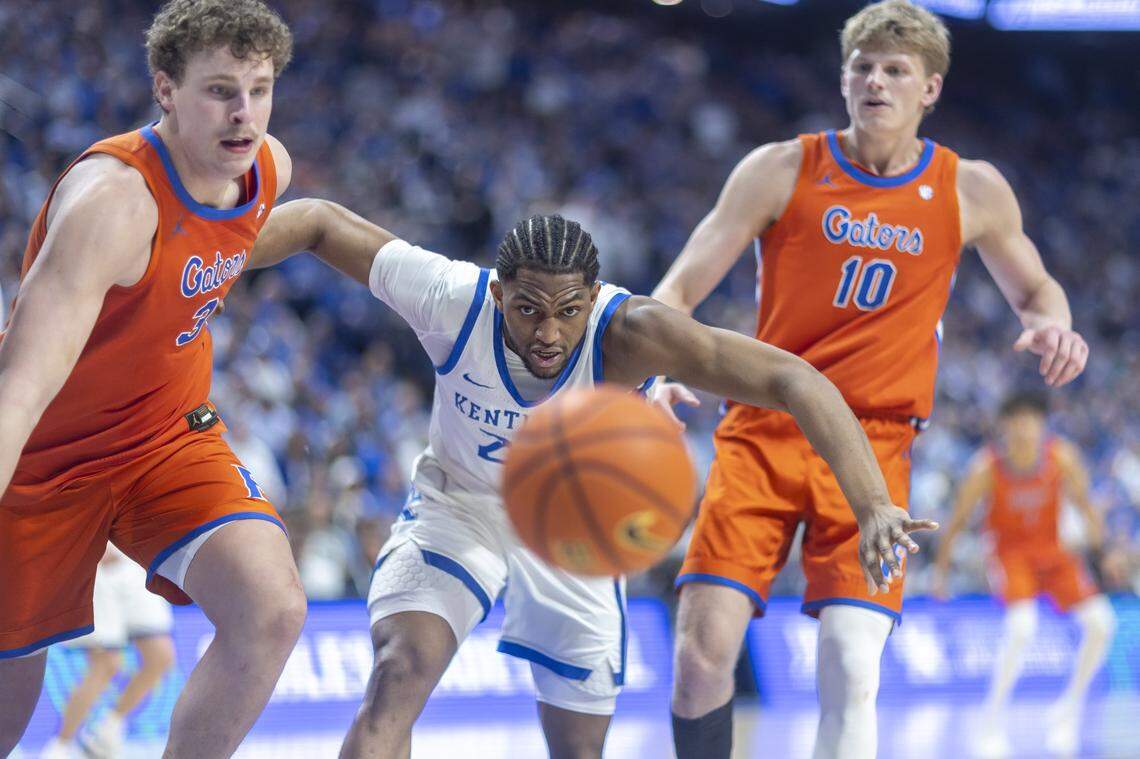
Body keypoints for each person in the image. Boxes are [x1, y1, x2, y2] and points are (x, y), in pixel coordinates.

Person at [246, 201, 937, 759]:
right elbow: (319, 223)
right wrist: (206, 258)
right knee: (399, 673)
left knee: (578, 747)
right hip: (463, 506)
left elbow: (793, 376)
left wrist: (873, 501)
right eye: (528, 310)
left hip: (573, 533)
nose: (549, 332)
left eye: (568, 311)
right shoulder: (452, 297)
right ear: (498, 291)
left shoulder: (631, 333)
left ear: (594, 297)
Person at [648, 2, 1089, 757]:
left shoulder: (969, 188)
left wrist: (1057, 322)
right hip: (764, 428)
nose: (876, 81)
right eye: (863, 67)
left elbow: (1038, 289)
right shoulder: (781, 167)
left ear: (931, 90)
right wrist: (661, 363)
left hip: (874, 445)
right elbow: (676, 290)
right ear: (843, 78)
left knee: (853, 664)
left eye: (895, 70)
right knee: (698, 654)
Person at [0, 3, 308, 756]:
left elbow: (232, 239)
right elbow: (21, 387)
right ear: (164, 89)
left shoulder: (269, 167)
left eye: (260, 90)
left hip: (165, 438)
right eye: (220, 90)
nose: (244, 115)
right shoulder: (111, 203)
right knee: (7, 702)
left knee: (272, 608)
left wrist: (344, 240)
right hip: (42, 458)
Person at [932, 392, 1116, 756]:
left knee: (1102, 623)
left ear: (1042, 425)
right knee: (1021, 627)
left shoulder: (1061, 457)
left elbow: (1084, 503)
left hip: (1052, 552)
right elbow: (956, 522)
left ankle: (1067, 710)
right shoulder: (986, 468)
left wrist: (1101, 547)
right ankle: (991, 722)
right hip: (1010, 556)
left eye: (1032, 420)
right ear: (1004, 426)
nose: (1025, 429)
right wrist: (941, 572)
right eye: (1017, 421)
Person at [41, 547, 176, 759]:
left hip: (138, 564)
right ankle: (60, 747)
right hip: (100, 567)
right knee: (106, 664)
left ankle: (107, 731)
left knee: (160, 657)